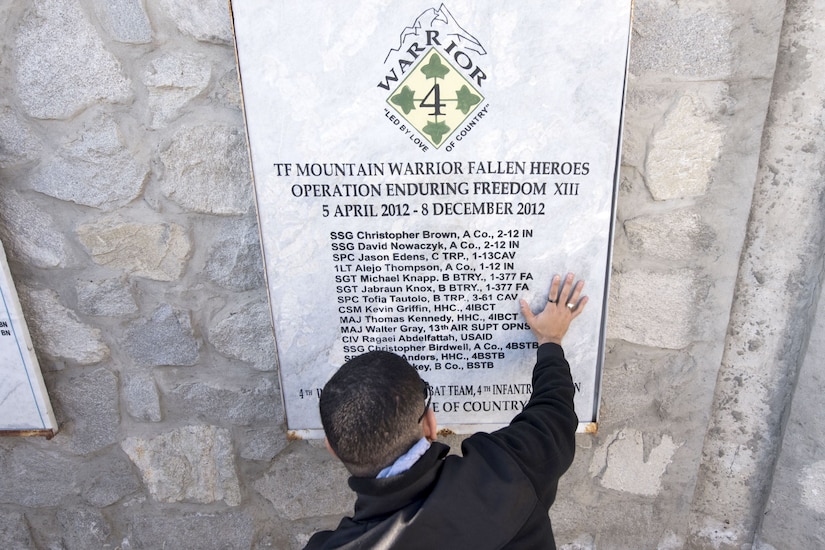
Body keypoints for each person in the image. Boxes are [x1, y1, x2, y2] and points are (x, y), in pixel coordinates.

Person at [305, 273, 588, 549]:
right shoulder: (510, 472)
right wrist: (550, 341)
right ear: (430, 424)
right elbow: (554, 413)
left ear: (332, 447)